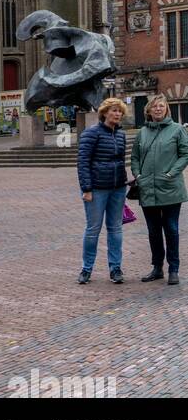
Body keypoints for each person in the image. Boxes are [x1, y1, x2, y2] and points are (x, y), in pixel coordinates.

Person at [131, 93, 188, 287]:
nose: (157, 109)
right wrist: (138, 175)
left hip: (170, 188)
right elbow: (135, 157)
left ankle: (174, 269)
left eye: (161, 106)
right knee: (153, 231)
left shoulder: (177, 130)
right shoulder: (142, 133)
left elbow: (185, 154)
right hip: (147, 188)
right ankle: (157, 268)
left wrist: (172, 173)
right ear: (148, 110)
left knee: (171, 229)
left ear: (166, 109)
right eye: (154, 106)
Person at [77, 96, 129, 284]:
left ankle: (115, 268)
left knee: (115, 229)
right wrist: (87, 188)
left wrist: (124, 181)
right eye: (114, 110)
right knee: (93, 230)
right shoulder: (91, 133)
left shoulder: (121, 134)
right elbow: (83, 163)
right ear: (104, 113)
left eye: (120, 111)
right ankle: (86, 268)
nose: (117, 114)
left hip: (117, 188)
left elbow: (121, 161)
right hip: (97, 189)